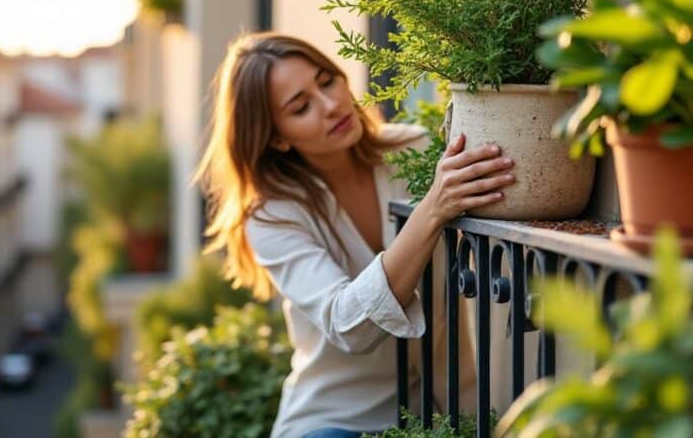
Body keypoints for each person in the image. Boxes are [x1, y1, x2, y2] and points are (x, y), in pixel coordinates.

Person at [196, 33, 515, 438]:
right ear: (277, 136)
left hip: (434, 413)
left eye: (327, 81)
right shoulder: (271, 216)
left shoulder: (414, 150)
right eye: (302, 107)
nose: (331, 106)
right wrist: (432, 208)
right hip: (332, 422)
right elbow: (351, 327)